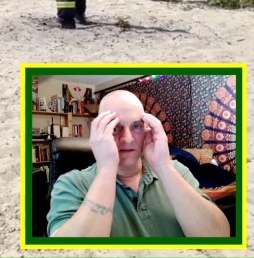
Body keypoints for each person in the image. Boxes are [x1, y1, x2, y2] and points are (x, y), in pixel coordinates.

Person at [47, 90, 229, 237]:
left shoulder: (176, 171)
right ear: (97, 131)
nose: (127, 139)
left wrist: (163, 166)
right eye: (114, 127)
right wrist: (107, 169)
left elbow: (219, 238)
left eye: (136, 126)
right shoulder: (71, 184)